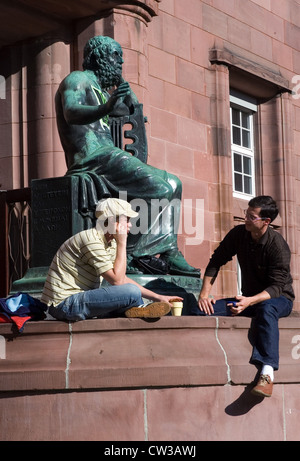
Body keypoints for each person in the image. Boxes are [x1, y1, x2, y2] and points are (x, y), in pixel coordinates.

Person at [55, 35, 199, 277]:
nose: (120, 62)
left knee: (175, 183)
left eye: (121, 58)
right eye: (114, 56)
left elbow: (129, 107)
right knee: (161, 189)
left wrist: (121, 85)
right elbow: (71, 112)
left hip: (108, 155)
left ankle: (168, 250)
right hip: (91, 158)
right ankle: (132, 252)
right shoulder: (77, 79)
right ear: (97, 58)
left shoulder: (101, 90)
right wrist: (106, 108)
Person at [195, 195, 294, 397]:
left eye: (251, 216)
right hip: (247, 300)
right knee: (201, 310)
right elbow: (217, 260)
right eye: (246, 214)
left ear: (266, 222)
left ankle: (267, 374)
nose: (246, 219)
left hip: (279, 299)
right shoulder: (239, 234)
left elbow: (276, 287)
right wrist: (204, 295)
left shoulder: (278, 246)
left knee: (267, 310)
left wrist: (249, 301)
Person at [41, 198, 182, 321]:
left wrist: (158, 297)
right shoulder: (91, 239)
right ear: (112, 221)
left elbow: (123, 279)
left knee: (130, 292)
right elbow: (118, 280)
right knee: (131, 292)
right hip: (64, 305)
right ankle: (135, 307)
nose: (130, 225)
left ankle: (136, 308)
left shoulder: (110, 242)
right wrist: (122, 242)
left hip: (79, 300)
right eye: (126, 220)